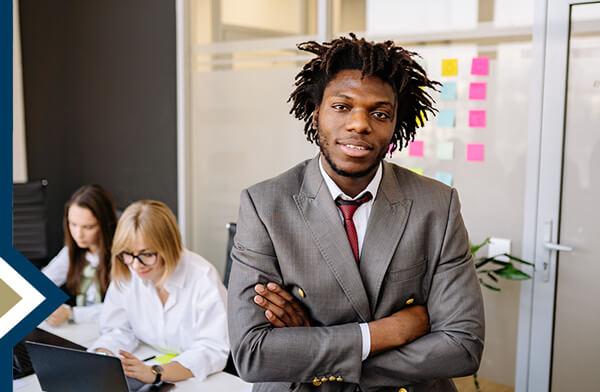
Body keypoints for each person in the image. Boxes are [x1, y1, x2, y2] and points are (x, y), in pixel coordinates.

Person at [227, 34, 485, 391]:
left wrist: (314, 351)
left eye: (380, 113)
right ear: (316, 113)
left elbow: (461, 347)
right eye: (342, 106)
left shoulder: (436, 205)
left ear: (396, 125)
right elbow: (253, 353)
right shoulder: (264, 205)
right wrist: (384, 332)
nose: (360, 124)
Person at [88, 200, 229, 384]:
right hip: (148, 363)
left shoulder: (202, 277)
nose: (136, 265)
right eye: (128, 253)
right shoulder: (127, 270)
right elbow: (119, 329)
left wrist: (156, 373)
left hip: (196, 381)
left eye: (147, 254)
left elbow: (212, 348)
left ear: (169, 246)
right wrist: (102, 355)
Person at [42, 184, 117, 326]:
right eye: (73, 224)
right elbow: (42, 282)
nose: (78, 234)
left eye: (88, 227)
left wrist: (71, 313)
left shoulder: (124, 257)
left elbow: (121, 309)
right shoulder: (71, 251)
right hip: (81, 331)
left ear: (105, 224)